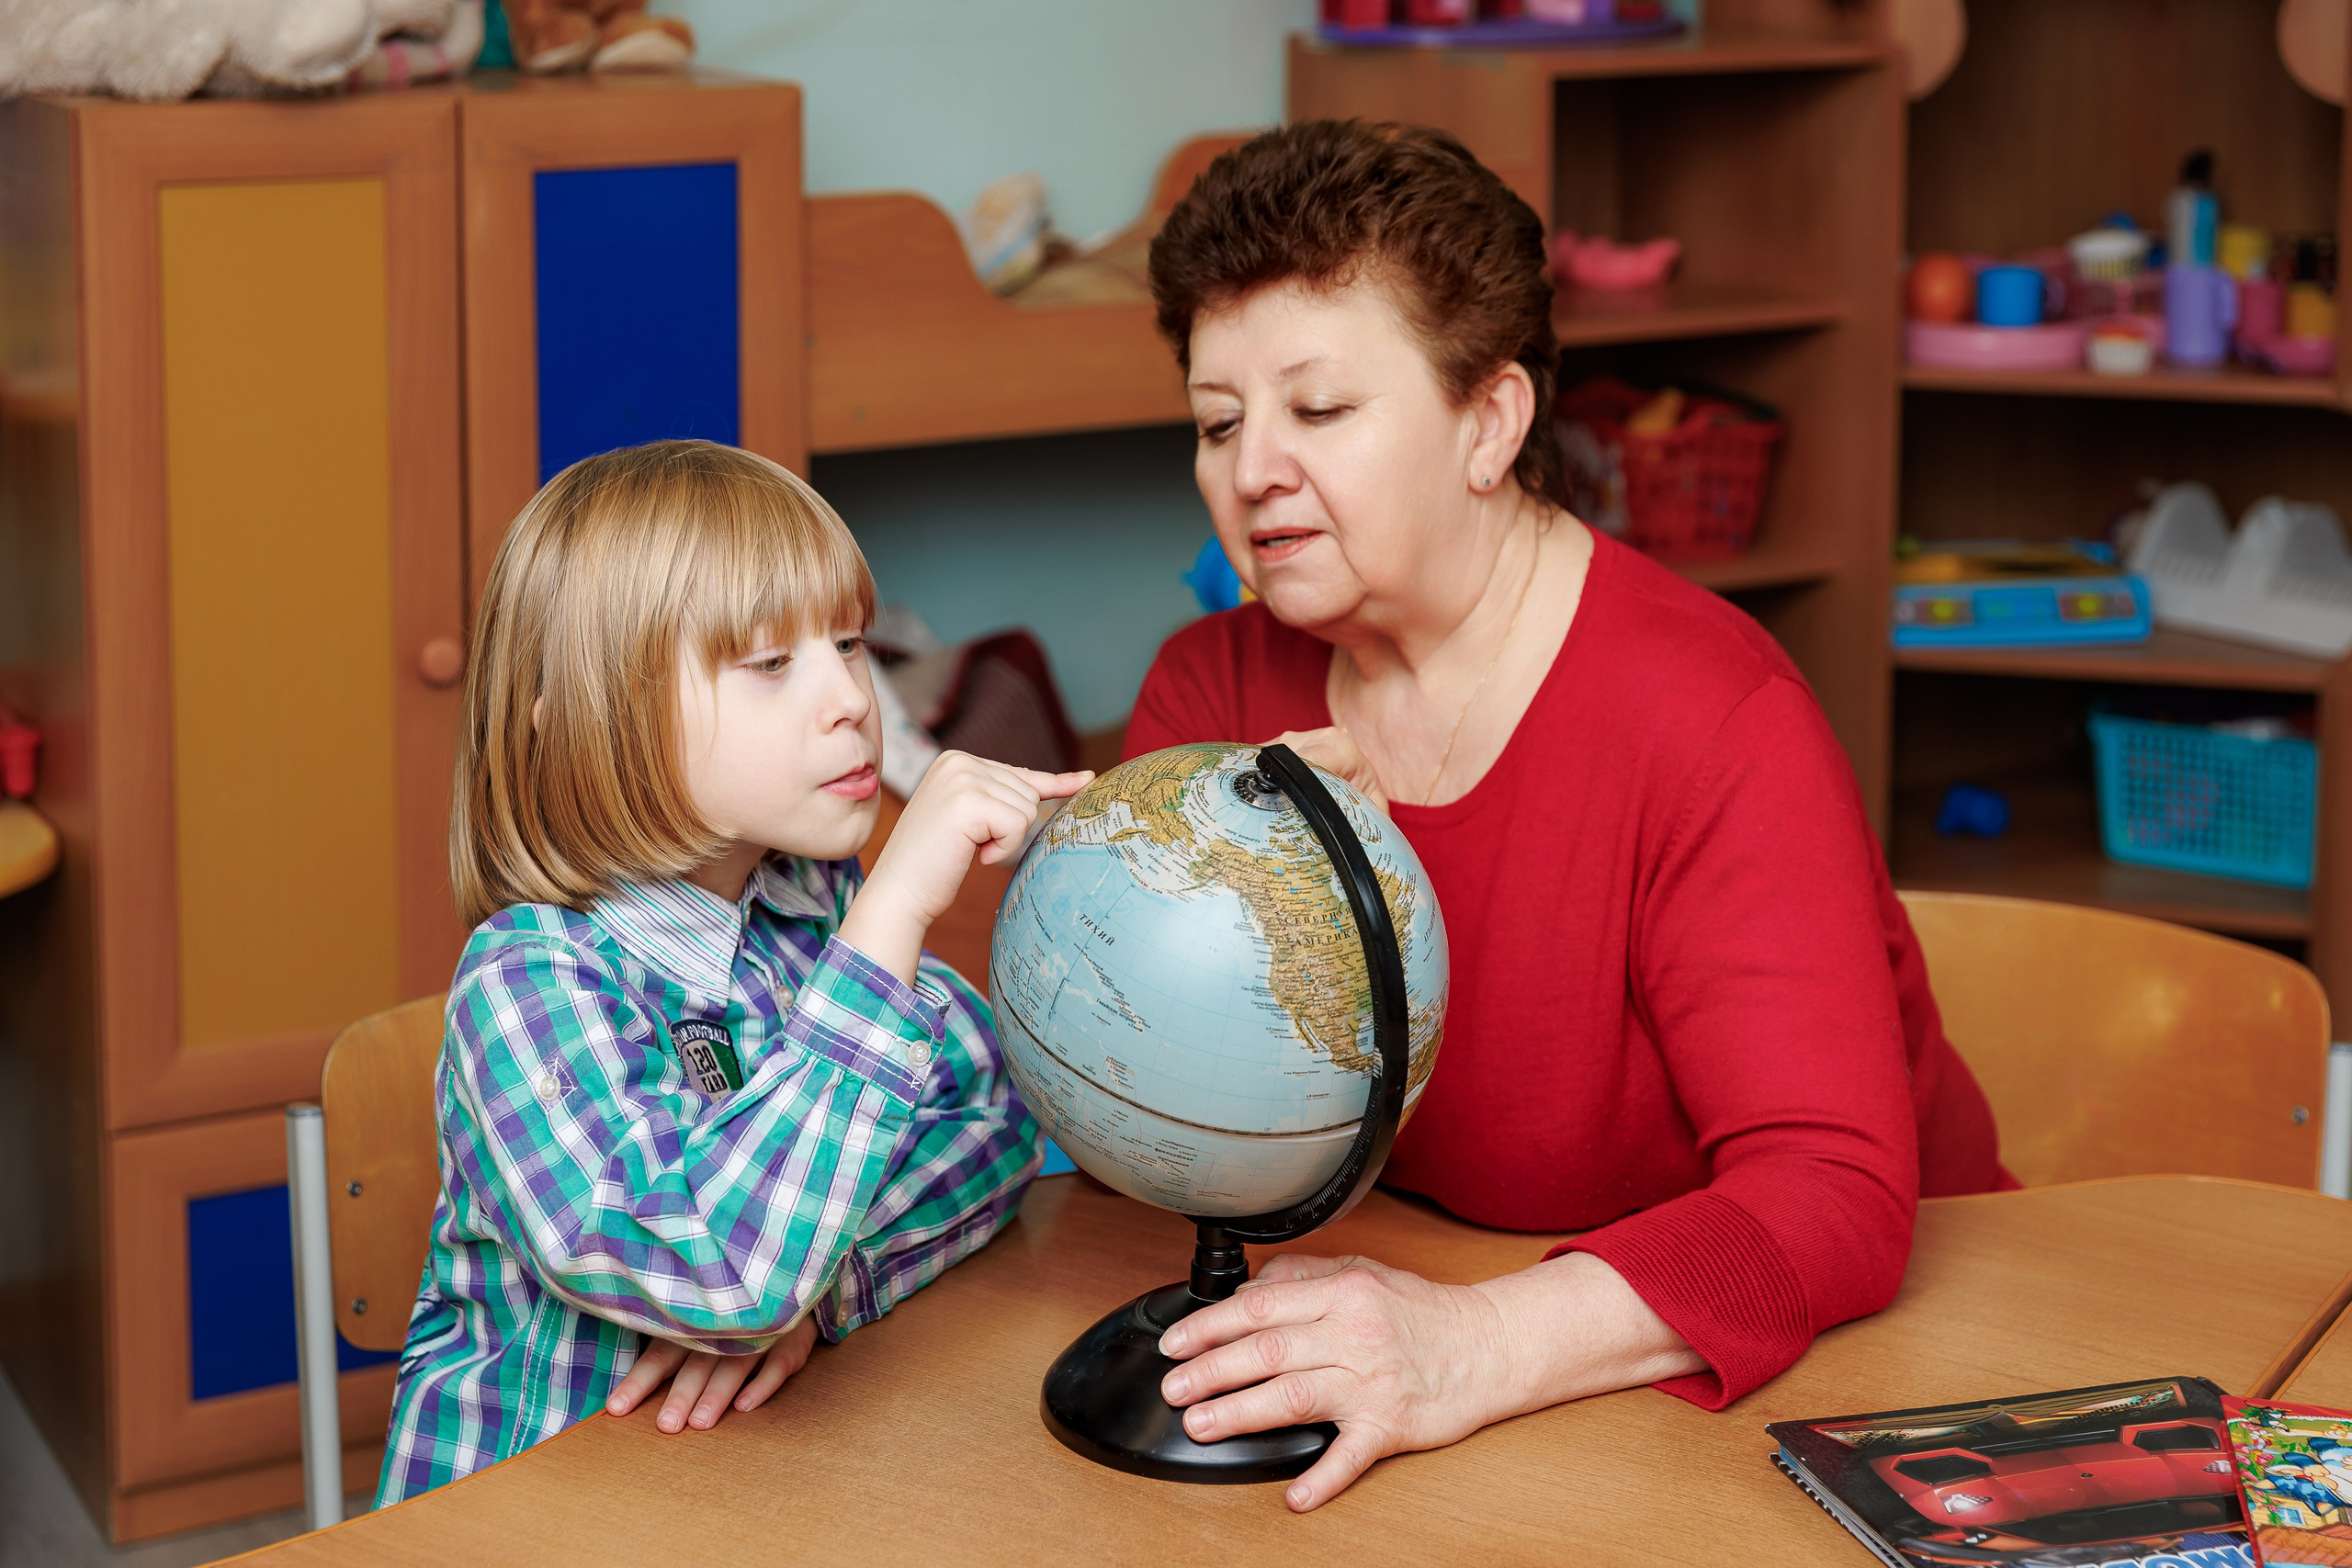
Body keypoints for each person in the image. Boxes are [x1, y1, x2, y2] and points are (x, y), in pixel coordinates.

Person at [1126, 121, 2010, 1511]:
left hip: (1847, 1370)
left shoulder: (1715, 721)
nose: (1251, 472)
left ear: (1490, 423)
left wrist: (1471, 1340)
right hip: (1468, 1382)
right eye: (1219, 422)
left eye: (1320, 408)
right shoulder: (1213, 687)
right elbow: (1155, 1108)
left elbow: (1831, 1190)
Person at [378, 441, 1090, 1504]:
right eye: (768, 665)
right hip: (537, 1519)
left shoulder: (811, 912)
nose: (851, 697)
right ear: (586, 719)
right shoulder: (527, 984)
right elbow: (725, 1271)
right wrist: (894, 909)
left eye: (848, 643)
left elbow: (996, 1122)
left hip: (746, 1493)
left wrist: (829, 1280)